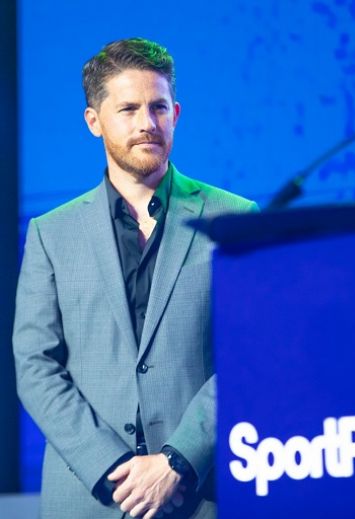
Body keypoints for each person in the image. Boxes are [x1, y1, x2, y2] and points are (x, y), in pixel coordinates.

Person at [13, 38, 257, 519]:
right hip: (89, 497)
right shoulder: (51, 234)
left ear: (176, 113)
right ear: (94, 121)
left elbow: (251, 355)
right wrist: (113, 468)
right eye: (128, 109)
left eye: (158, 107)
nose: (147, 123)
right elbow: (35, 367)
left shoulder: (235, 217)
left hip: (201, 494)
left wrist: (178, 460)